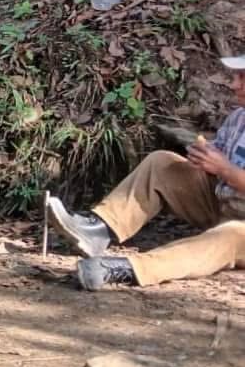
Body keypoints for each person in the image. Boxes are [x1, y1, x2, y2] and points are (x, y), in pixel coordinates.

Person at [46, 56, 245, 291]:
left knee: (231, 236)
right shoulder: (238, 117)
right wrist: (205, 156)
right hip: (224, 205)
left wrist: (224, 168)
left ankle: (128, 268)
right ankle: (98, 230)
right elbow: (219, 156)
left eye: (242, 77)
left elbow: (225, 169)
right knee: (162, 163)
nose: (234, 84)